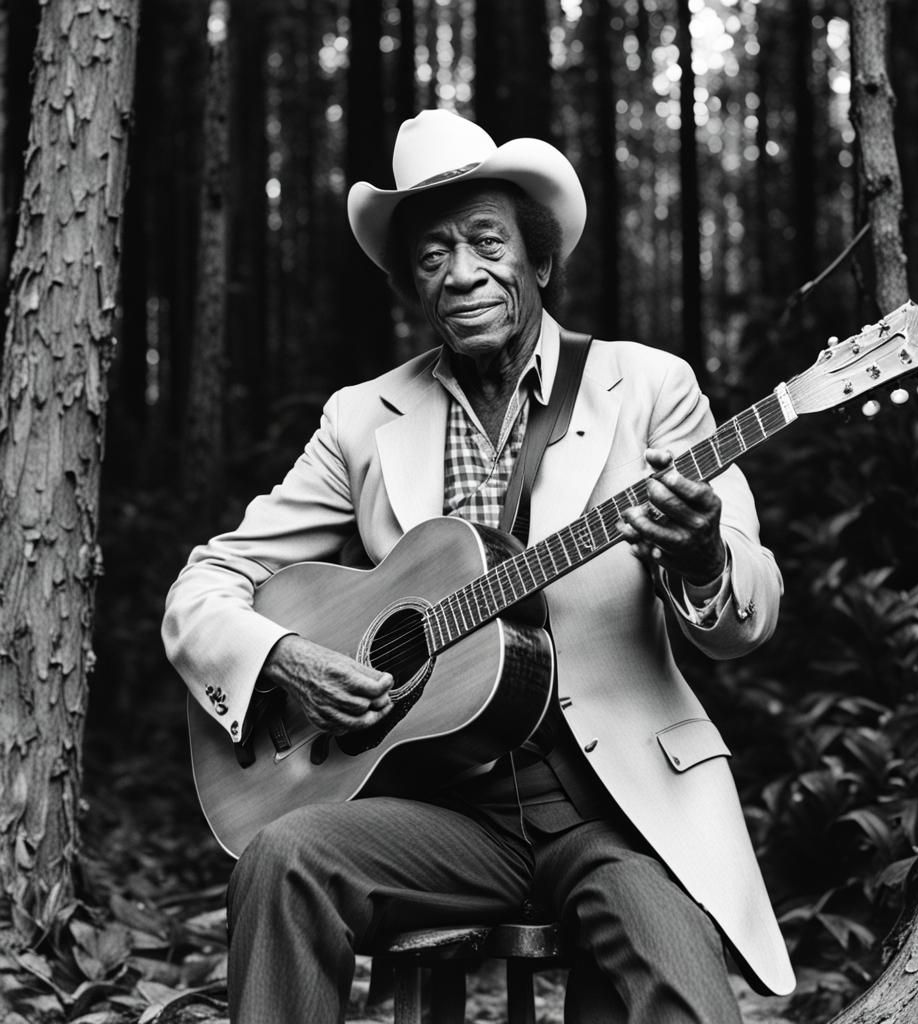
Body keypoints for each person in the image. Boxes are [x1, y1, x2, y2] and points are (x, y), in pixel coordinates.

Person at [163, 109, 795, 1023]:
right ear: (412, 285)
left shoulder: (648, 387)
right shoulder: (361, 420)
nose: (461, 274)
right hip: (440, 814)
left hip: (615, 811)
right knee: (283, 857)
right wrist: (284, 657)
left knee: (682, 992)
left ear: (538, 262)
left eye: (485, 243)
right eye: (430, 256)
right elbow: (206, 584)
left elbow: (751, 615)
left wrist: (700, 553)